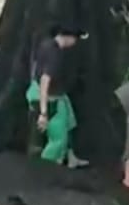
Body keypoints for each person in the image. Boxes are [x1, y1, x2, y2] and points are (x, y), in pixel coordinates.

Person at [27, 25, 88, 169]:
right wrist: (43, 112)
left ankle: (71, 157)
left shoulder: (46, 44)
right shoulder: (55, 54)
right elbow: (44, 80)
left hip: (54, 94)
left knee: (69, 121)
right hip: (47, 98)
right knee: (58, 139)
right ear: (69, 37)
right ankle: (44, 168)